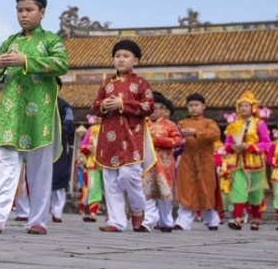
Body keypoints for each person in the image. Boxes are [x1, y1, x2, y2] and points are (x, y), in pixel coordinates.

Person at [0, 0, 69, 235]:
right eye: (19, 10)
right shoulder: (11, 40)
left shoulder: (51, 40)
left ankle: (38, 220)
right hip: (11, 112)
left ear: (42, 12)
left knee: (39, 169)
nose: (23, 15)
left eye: (29, 10)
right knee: (5, 163)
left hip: (40, 115)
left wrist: (25, 61)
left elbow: (61, 64)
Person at [91, 39, 154, 233]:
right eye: (117, 56)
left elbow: (148, 106)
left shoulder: (141, 83)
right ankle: (116, 221)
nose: (121, 60)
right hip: (109, 137)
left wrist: (123, 104)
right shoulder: (106, 83)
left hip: (132, 137)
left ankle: (137, 209)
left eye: (126, 56)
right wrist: (103, 106)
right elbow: (94, 106)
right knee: (110, 179)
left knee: (128, 175)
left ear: (136, 61)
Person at [223, 91, 271, 231]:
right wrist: (232, 147)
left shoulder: (259, 124)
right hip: (238, 162)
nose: (243, 108)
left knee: (255, 192)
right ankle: (237, 218)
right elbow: (227, 143)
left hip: (254, 162)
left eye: (246, 106)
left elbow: (266, 143)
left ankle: (256, 218)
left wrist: (250, 146)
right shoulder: (233, 124)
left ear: (253, 108)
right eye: (241, 106)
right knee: (238, 190)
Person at [174, 92, 221, 231]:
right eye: (190, 105)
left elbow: (215, 135)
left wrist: (196, 133)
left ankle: (212, 220)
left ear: (203, 106)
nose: (193, 108)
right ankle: (183, 221)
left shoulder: (209, 123)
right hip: (187, 160)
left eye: (196, 105)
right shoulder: (182, 123)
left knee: (206, 191)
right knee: (186, 190)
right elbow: (174, 137)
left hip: (204, 161)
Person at [142, 92, 182, 232]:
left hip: (164, 164)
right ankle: (148, 221)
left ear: (162, 109)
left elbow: (177, 141)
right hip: (146, 164)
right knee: (147, 192)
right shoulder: (142, 124)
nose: (152, 112)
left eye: (156, 108)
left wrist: (158, 141)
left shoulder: (170, 125)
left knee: (164, 194)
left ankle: (166, 221)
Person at [51, 93, 76, 223]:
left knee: (60, 177)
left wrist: (58, 132)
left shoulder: (64, 105)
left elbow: (69, 123)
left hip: (59, 144)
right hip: (42, 145)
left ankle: (57, 211)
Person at [80, 114, 103, 222]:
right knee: (93, 187)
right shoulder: (91, 130)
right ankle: (92, 212)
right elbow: (82, 145)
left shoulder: (109, 128)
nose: (98, 117)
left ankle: (113, 215)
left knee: (111, 188)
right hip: (92, 163)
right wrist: (87, 147)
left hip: (107, 164)